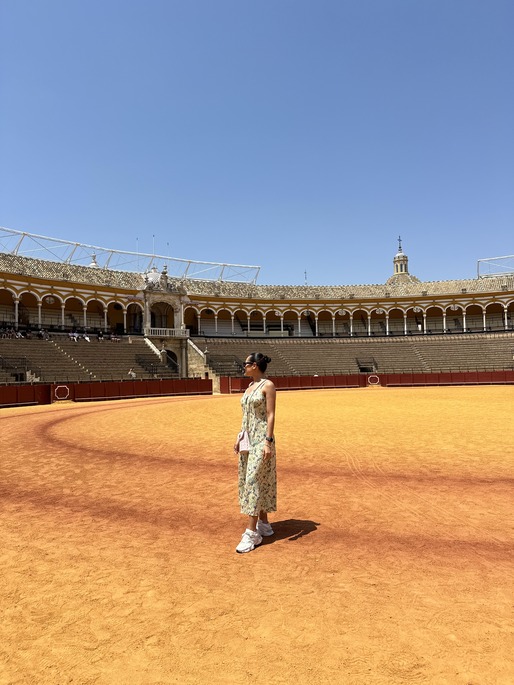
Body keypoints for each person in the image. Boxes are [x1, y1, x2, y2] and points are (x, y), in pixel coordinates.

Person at [233, 352, 277, 554]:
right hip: (248, 440)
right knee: (260, 479)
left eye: (246, 363)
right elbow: (246, 416)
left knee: (253, 481)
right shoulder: (249, 387)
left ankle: (251, 533)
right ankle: (264, 524)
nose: (244, 366)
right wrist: (240, 437)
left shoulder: (268, 385)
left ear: (255, 366)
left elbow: (270, 414)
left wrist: (268, 441)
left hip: (261, 440)